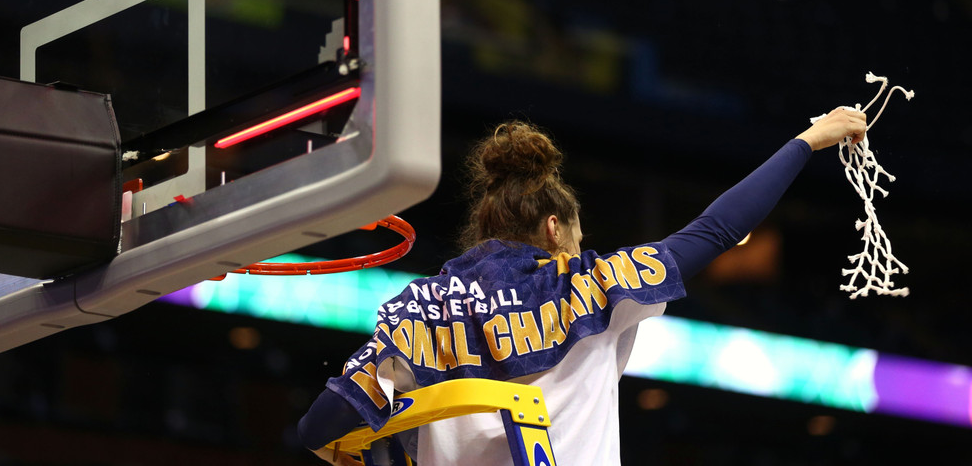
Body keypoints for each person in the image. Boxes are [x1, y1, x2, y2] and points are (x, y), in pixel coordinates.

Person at [297, 108, 868, 465]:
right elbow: (718, 229)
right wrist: (807, 141)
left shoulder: (417, 308)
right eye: (575, 233)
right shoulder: (590, 284)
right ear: (553, 228)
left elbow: (318, 426)